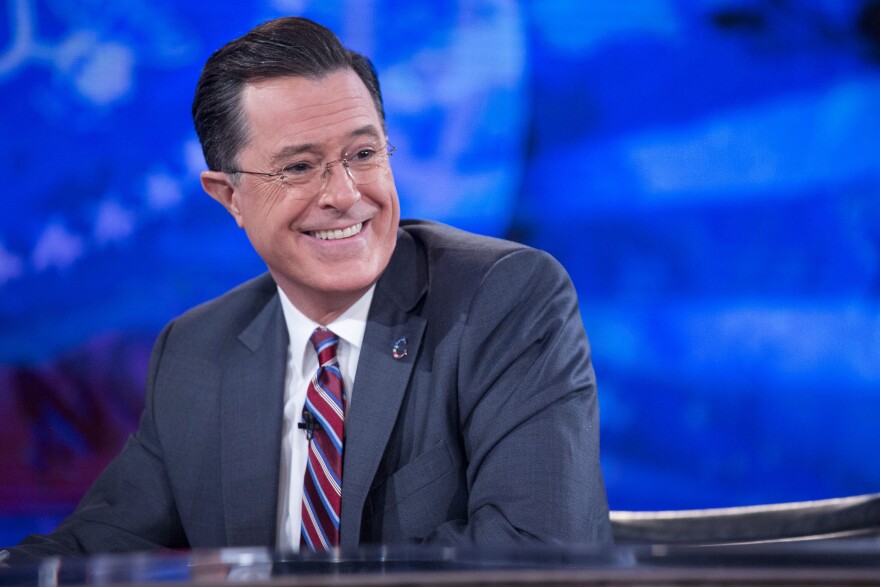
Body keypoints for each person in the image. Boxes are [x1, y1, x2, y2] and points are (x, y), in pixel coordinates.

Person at [4, 16, 611, 563]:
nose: (345, 194)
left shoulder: (502, 300)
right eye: (298, 167)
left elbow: (537, 550)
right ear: (229, 195)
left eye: (364, 153)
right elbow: (92, 546)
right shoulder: (196, 351)